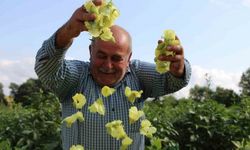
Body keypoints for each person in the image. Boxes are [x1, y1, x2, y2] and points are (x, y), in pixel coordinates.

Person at [34, 0, 191, 149]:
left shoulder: (138, 74)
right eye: (101, 56)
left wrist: (178, 69)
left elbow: (172, 81)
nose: (108, 65)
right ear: (90, 52)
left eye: (116, 58)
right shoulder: (76, 77)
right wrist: (68, 31)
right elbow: (45, 68)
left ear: (128, 58)